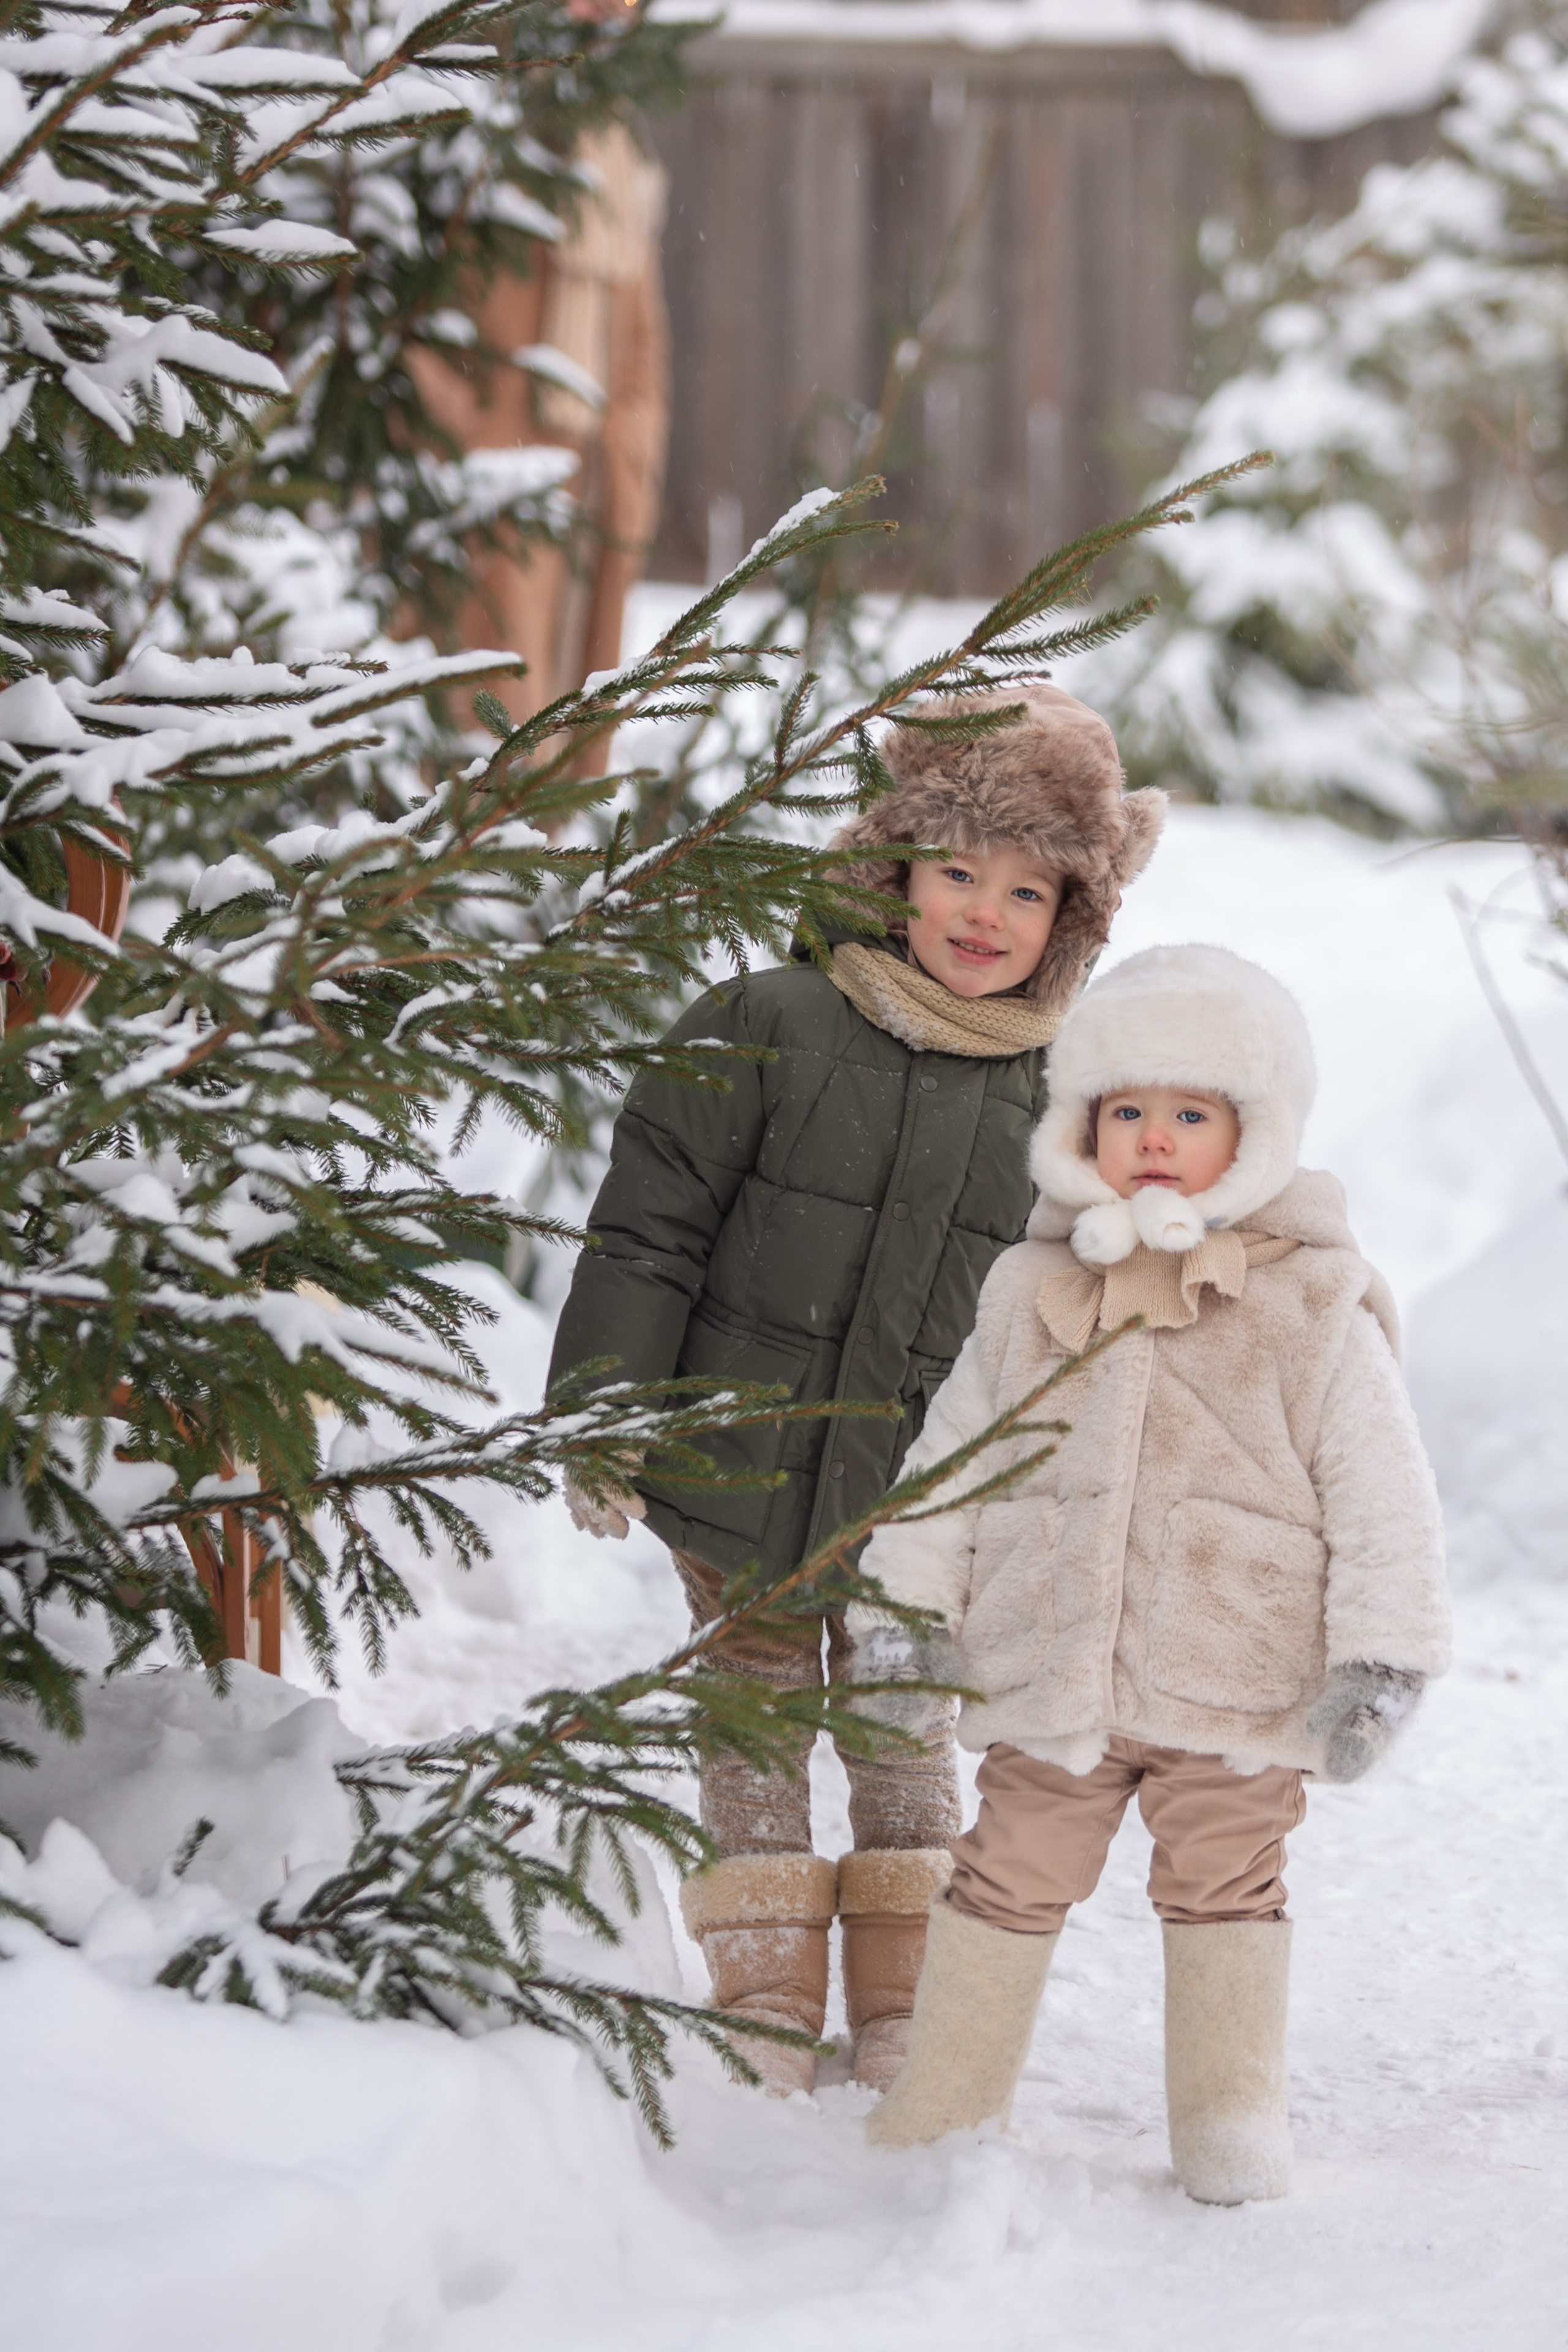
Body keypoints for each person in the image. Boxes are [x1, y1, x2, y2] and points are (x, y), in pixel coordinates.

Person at [548, 685, 1166, 2093]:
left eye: (1026, 890)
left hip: (926, 1511)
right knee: (753, 1723)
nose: (982, 914)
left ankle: (899, 2001)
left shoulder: (1066, 1095)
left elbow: (1076, 1318)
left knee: (902, 1740)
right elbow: (646, 1229)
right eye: (955, 869)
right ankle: (763, 1990)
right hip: (741, 1470)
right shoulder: (766, 1018)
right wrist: (601, 1417)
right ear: (889, 869)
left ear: (1068, 919)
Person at [849, 944, 1449, 2198]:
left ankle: (1229, 2121)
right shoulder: (1030, 1289)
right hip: (1052, 1662)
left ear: (1254, 1132)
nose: (1157, 1139)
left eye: (1191, 1113)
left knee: (1225, 1881)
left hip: (1234, 1673)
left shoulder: (1314, 1302)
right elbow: (950, 1460)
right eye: (1128, 1112)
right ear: (1083, 1125)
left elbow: (1383, 1497)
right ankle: (947, 2101)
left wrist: (1381, 1654)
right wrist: (903, 1621)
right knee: (1004, 1868)